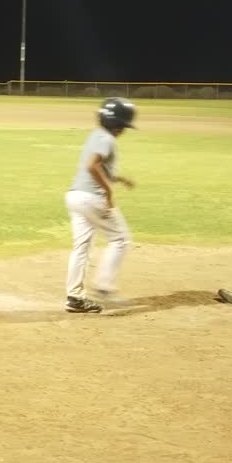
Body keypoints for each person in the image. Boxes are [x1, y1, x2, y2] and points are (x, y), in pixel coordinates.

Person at [63, 97, 138, 313]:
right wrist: (108, 191)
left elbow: (100, 168)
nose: (123, 130)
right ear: (118, 125)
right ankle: (104, 286)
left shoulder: (96, 135)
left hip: (75, 197)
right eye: (123, 126)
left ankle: (74, 298)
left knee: (81, 248)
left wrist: (119, 179)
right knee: (120, 239)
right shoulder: (107, 139)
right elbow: (92, 165)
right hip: (92, 199)